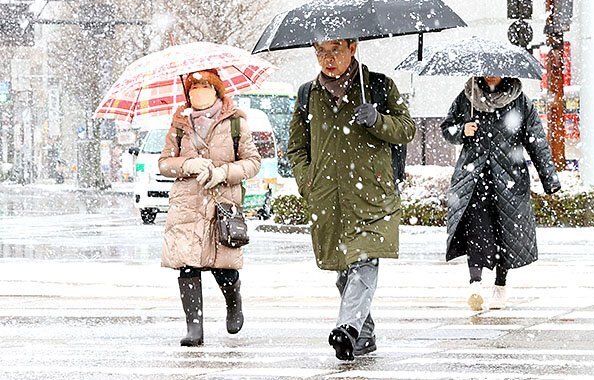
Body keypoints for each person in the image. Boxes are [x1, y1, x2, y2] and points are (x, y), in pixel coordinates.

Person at [287, 38, 416, 360]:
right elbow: (296, 148)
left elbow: (406, 130)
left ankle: (347, 328)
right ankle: (365, 333)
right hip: (328, 197)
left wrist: (377, 120)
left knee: (364, 261)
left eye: (335, 51)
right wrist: (309, 182)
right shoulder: (307, 94)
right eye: (320, 52)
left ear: (353, 48)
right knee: (344, 269)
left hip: (372, 195)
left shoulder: (379, 87)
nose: (327, 59)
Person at [158, 69, 261, 346]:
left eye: (204, 86)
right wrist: (186, 165)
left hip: (221, 204)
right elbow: (164, 163)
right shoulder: (179, 125)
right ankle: (194, 328)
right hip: (187, 205)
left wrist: (222, 172)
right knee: (187, 265)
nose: (198, 92)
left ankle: (233, 302)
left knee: (223, 267)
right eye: (193, 87)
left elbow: (252, 163)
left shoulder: (236, 123)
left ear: (217, 90)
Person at [441, 76, 561, 311]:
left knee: (504, 233)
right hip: (474, 179)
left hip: (509, 179)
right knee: (477, 229)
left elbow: (537, 141)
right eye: (487, 71)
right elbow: (447, 128)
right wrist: (462, 131)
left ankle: (500, 285)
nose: (491, 76)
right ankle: (475, 284)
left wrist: (550, 179)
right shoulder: (468, 97)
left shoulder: (520, 102)